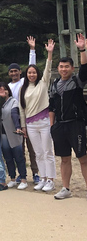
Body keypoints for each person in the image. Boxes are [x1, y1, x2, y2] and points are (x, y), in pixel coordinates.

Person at [49, 34, 87, 199]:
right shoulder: (54, 85)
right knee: (64, 159)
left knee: (83, 158)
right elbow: (51, 106)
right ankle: (66, 188)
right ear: (58, 68)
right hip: (60, 126)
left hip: (76, 124)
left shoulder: (77, 81)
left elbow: (85, 71)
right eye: (61, 66)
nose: (64, 69)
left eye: (67, 67)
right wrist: (52, 126)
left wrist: (82, 50)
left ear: (72, 68)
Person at [19, 39, 56, 192]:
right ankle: (42, 178)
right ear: (26, 74)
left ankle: (50, 180)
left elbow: (48, 69)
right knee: (38, 153)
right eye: (29, 72)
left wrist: (49, 53)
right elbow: (22, 109)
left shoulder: (43, 83)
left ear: (37, 74)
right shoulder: (23, 88)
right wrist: (23, 127)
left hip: (44, 121)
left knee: (47, 152)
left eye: (34, 72)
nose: (32, 74)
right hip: (30, 124)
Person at [7, 36, 39, 184]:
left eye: (16, 71)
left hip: (29, 116)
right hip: (16, 121)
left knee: (33, 148)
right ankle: (22, 174)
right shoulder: (8, 87)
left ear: (20, 72)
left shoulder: (24, 82)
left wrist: (32, 49)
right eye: (11, 71)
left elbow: (32, 67)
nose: (14, 73)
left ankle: (36, 173)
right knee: (19, 150)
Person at [0, 82, 28, 190]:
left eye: (4, 89)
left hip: (14, 133)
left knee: (19, 157)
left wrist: (18, 127)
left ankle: (23, 179)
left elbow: (15, 114)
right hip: (3, 134)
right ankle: (13, 179)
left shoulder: (13, 101)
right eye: (0, 90)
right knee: (8, 158)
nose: (2, 91)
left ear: (8, 90)